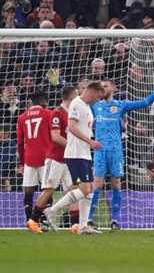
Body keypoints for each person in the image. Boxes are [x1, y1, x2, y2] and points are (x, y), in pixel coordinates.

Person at [87, 78, 154, 230]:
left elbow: (144, 103)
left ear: (114, 88)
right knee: (97, 184)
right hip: (99, 150)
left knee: (116, 184)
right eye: (101, 86)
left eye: (106, 86)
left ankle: (114, 220)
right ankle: (89, 219)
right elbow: (76, 104)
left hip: (116, 151)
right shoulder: (94, 106)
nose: (103, 88)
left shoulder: (120, 105)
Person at [43, 81, 104, 234]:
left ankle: (83, 226)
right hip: (75, 154)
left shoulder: (87, 107)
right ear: (91, 91)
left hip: (84, 154)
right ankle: (52, 210)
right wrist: (90, 141)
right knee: (84, 189)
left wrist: (90, 141)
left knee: (88, 191)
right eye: (98, 96)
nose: (98, 100)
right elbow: (72, 126)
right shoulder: (76, 103)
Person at [27, 87, 78, 234]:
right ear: (70, 97)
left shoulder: (72, 114)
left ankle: (75, 225)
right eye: (77, 95)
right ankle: (33, 220)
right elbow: (55, 137)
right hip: (55, 159)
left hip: (69, 160)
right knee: (49, 190)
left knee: (74, 190)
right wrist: (72, 146)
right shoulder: (57, 113)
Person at [16, 92, 52, 223]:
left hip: (29, 158)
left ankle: (29, 220)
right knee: (47, 189)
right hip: (46, 157)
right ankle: (45, 221)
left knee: (29, 190)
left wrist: (21, 162)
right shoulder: (49, 114)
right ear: (44, 102)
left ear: (32, 102)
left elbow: (20, 143)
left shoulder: (22, 117)